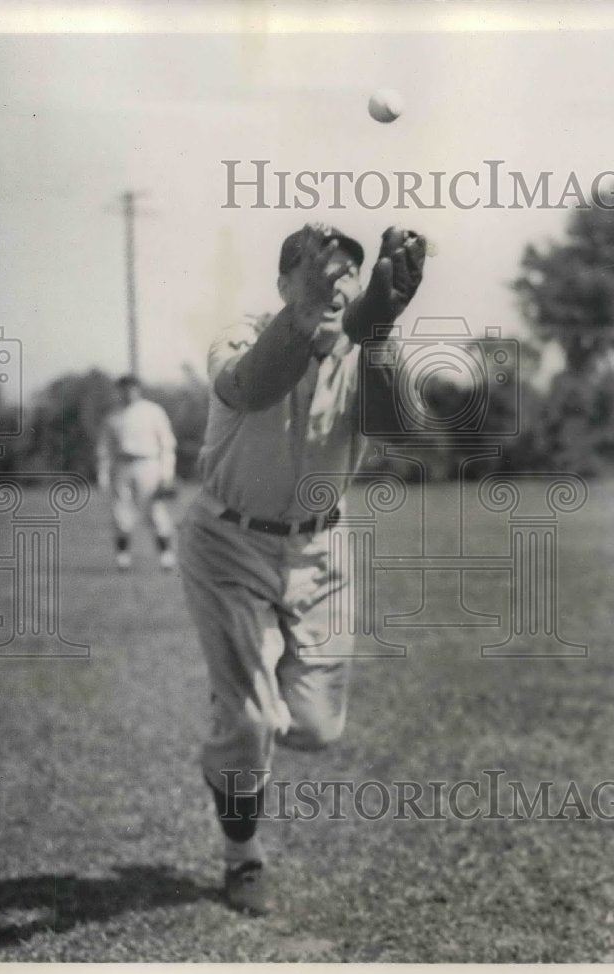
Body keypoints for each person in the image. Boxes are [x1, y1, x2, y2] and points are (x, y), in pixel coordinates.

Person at [178, 223, 426, 914]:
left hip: (320, 550)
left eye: (348, 275)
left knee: (316, 728)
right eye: (318, 272)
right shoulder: (242, 334)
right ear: (284, 282)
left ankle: (242, 697)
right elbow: (252, 385)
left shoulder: (362, 342)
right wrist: (306, 315)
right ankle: (242, 856)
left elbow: (400, 431)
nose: (334, 286)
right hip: (229, 544)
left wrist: (376, 331)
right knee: (252, 722)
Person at [96, 374, 178, 570]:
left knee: (155, 511)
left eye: (132, 388)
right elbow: (104, 448)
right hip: (123, 465)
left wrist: (166, 474)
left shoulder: (153, 411)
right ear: (119, 390)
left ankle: (166, 557)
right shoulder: (113, 416)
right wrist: (103, 473)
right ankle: (122, 559)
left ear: (138, 389)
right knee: (120, 512)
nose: (128, 392)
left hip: (148, 464)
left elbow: (167, 443)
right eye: (124, 388)